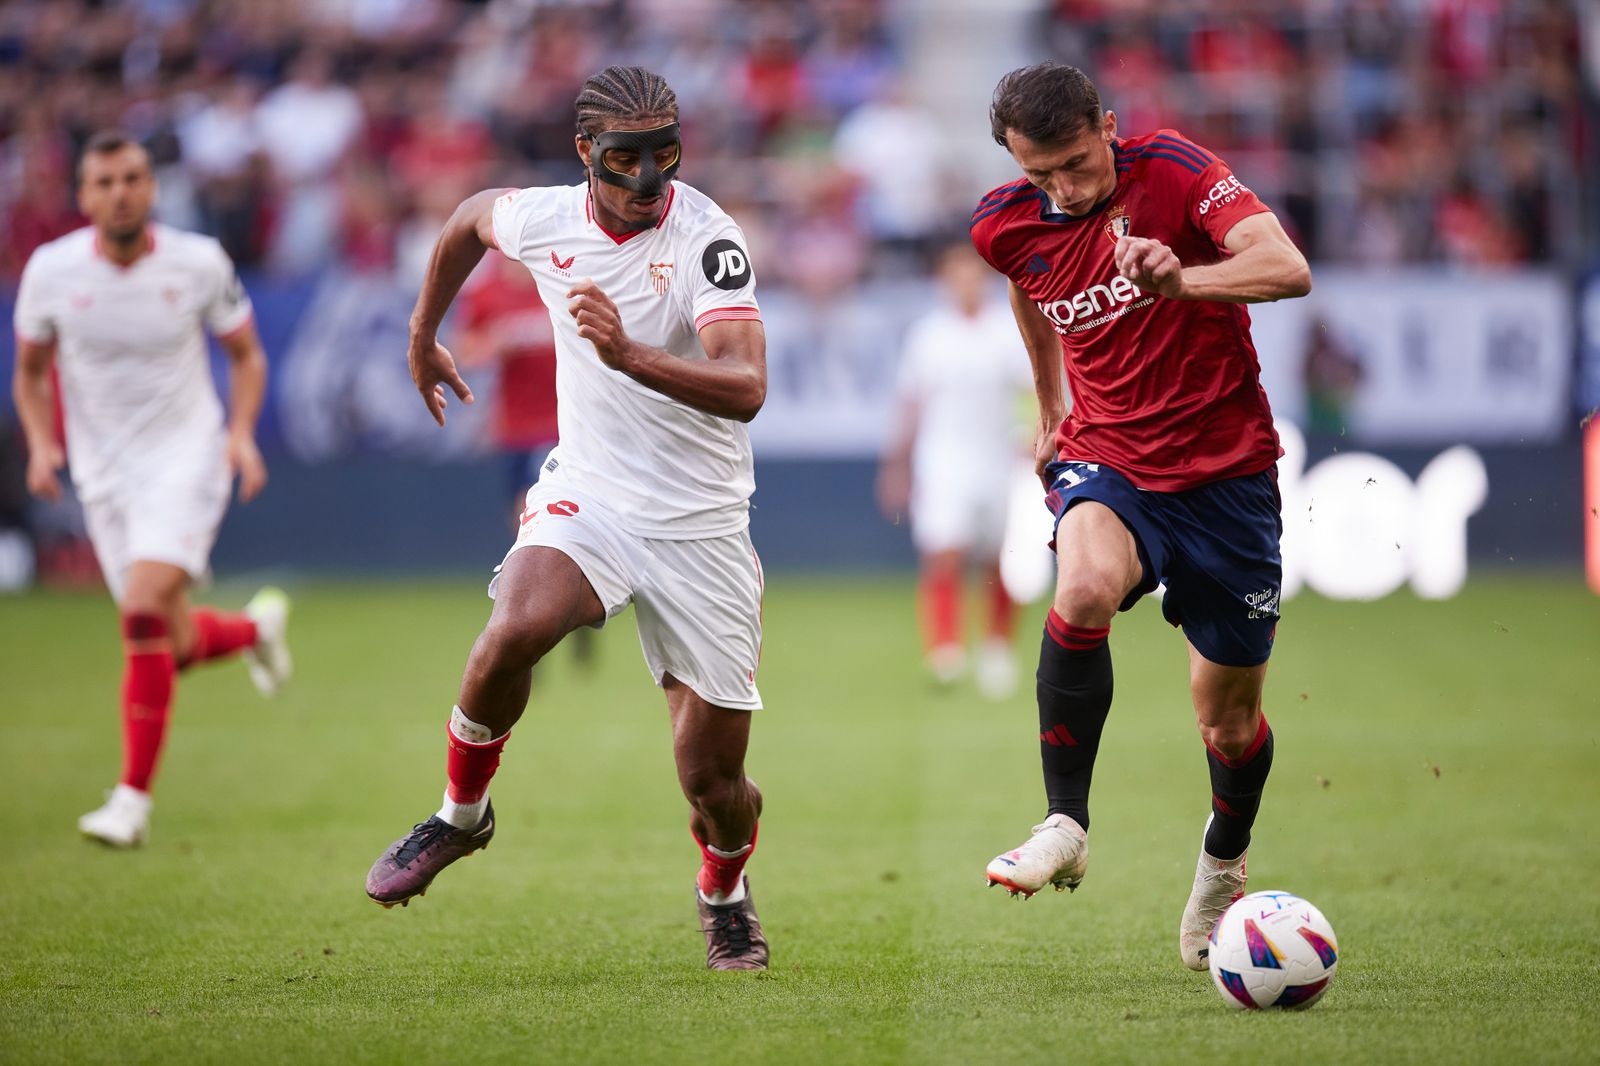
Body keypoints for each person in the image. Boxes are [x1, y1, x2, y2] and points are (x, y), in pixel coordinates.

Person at [363, 67, 772, 971]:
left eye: (665, 153)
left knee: (713, 783)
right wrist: (423, 332)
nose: (649, 178)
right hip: (592, 491)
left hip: (701, 523)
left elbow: (747, 385)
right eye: (625, 158)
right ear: (586, 152)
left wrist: (627, 353)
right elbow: (469, 217)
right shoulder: (546, 219)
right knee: (514, 627)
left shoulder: (707, 239)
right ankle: (461, 815)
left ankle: (724, 891)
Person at [968, 62, 1312, 970]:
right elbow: (1027, 281)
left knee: (1227, 723)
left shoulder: (1178, 172)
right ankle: (1065, 823)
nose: (1062, 189)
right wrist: (1051, 401)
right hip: (1110, 456)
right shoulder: (1004, 224)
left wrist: (1185, 280)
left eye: (1076, 164)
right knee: (1082, 587)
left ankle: (1223, 861)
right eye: (1039, 173)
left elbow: (1289, 268)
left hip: (1228, 476)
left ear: (1109, 128)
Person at [12, 132, 293, 848]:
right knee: (171, 640)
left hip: (186, 456)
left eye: (133, 178)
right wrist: (42, 444)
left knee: (140, 611)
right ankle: (255, 629)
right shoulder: (51, 271)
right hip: (103, 474)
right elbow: (31, 371)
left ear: (152, 188)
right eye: (105, 182)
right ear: (84, 196)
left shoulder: (197, 262)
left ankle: (130, 802)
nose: (121, 193)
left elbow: (246, 355)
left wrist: (240, 435)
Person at [876, 241, 1032, 696]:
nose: (965, 282)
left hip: (998, 458)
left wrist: (1033, 441)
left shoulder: (1008, 330)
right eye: (956, 273)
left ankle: (997, 648)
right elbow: (911, 405)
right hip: (942, 459)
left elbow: (1032, 391)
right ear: (944, 280)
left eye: (972, 273)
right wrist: (897, 466)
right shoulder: (928, 336)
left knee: (1001, 558)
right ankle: (945, 651)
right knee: (943, 550)